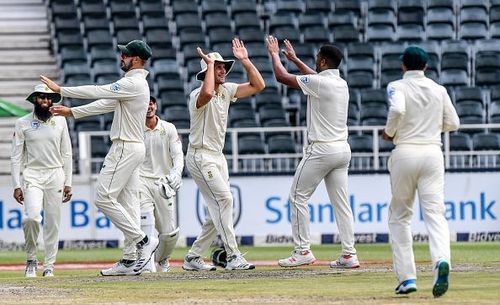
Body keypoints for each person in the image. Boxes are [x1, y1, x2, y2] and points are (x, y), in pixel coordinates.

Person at [41, 39, 158, 276]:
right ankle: (129, 259)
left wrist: (61, 90)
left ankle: (143, 240)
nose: (121, 58)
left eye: (125, 55)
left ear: (135, 59)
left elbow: (98, 91)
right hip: (134, 147)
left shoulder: (133, 83)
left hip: (125, 147)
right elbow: (105, 104)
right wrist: (73, 112)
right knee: (128, 204)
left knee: (103, 198)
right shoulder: (133, 85)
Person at [266, 36, 359, 268]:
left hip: (322, 149)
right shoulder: (341, 83)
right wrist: (296, 59)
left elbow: (281, 77)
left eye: (318, 58)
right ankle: (349, 254)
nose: (316, 60)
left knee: (297, 197)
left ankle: (302, 251)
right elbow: (316, 79)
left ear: (324, 62)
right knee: (341, 204)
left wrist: (274, 54)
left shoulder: (321, 83)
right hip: (342, 150)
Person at [182, 37, 265, 271]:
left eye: (223, 67)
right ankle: (232, 256)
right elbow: (207, 93)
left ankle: (193, 257)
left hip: (217, 156)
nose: (223, 70)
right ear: (207, 71)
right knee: (224, 200)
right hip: (200, 156)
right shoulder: (197, 94)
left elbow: (259, 85)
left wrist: (246, 61)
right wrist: (209, 65)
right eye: (218, 67)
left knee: (216, 209)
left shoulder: (227, 90)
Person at [383, 46, 459, 297]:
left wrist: (390, 132)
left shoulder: (397, 86)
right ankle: (440, 261)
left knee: (400, 216)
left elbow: (397, 110)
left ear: (403, 65)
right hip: (433, 153)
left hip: (405, 151)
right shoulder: (440, 89)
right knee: (436, 214)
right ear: (426, 67)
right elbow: (454, 123)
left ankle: (407, 278)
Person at [11, 84, 73, 277]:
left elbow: (67, 153)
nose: (45, 101)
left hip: (55, 174)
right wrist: (16, 184)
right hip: (32, 175)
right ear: (34, 100)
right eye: (41, 98)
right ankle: (31, 260)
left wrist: (68, 182)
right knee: (31, 218)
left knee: (53, 222)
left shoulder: (61, 121)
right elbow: (16, 156)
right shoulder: (23, 123)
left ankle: (49, 266)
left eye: (48, 98)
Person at [139, 96, 184, 273]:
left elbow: (178, 155)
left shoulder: (168, 128)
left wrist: (176, 173)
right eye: (145, 104)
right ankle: (147, 263)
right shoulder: (135, 129)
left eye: (151, 103)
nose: (148, 107)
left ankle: (163, 259)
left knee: (168, 232)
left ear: (155, 106)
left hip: (163, 183)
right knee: (146, 221)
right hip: (141, 181)